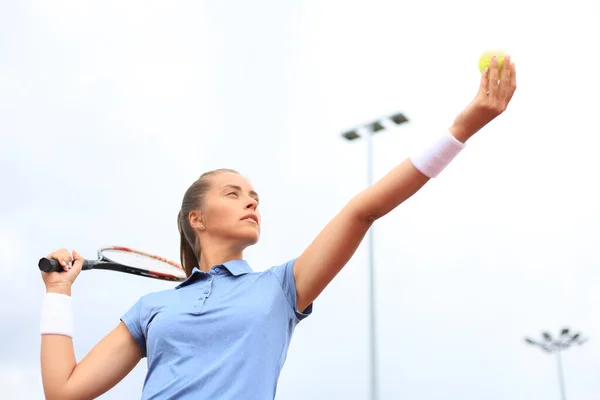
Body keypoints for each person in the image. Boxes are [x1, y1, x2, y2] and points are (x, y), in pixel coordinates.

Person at [39, 56, 517, 400]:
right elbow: (63, 392)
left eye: (255, 197)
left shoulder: (280, 289)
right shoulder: (152, 307)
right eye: (233, 193)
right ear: (197, 219)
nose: (251, 201)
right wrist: (58, 291)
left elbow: (362, 211)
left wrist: (461, 129)